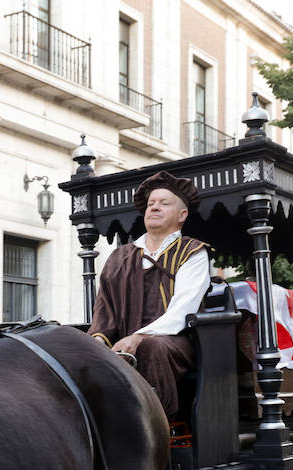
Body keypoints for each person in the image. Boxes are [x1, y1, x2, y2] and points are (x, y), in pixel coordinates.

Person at [88, 170, 210, 417]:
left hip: (176, 341)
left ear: (182, 215)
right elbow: (105, 307)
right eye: (151, 204)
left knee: (151, 348)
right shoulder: (119, 256)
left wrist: (139, 337)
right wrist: (97, 341)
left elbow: (182, 310)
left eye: (164, 204)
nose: (154, 208)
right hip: (122, 340)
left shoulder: (193, 252)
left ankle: (157, 426)